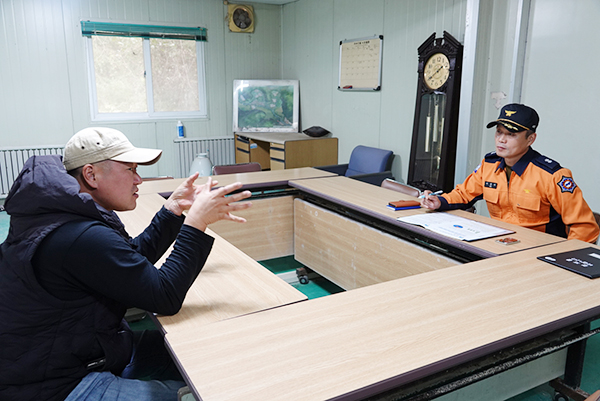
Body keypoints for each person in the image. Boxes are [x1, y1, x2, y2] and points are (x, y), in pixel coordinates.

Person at [0, 127, 252, 401]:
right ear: (91, 175)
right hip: (55, 384)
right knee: (197, 396)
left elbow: (129, 259)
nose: (139, 179)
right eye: (130, 169)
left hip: (85, 348)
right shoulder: (79, 235)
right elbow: (165, 296)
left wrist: (173, 208)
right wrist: (196, 223)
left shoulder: (68, 215)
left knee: (207, 351)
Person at [420, 103, 599, 243]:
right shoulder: (489, 165)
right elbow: (464, 194)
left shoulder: (552, 175)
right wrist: (440, 201)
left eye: (511, 135)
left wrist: (563, 262)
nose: (501, 140)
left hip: (537, 253)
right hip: (497, 244)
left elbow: (585, 227)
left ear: (530, 138)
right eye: (499, 132)